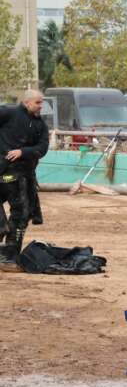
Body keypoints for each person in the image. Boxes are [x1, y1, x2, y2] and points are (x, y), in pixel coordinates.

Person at [0, 90, 49, 264]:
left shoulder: (41, 125)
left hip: (25, 174)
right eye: (37, 102)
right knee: (17, 213)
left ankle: (10, 254)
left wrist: (23, 151)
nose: (41, 105)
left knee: (23, 214)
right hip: (4, 172)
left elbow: (42, 148)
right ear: (26, 102)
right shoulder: (8, 113)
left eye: (41, 102)